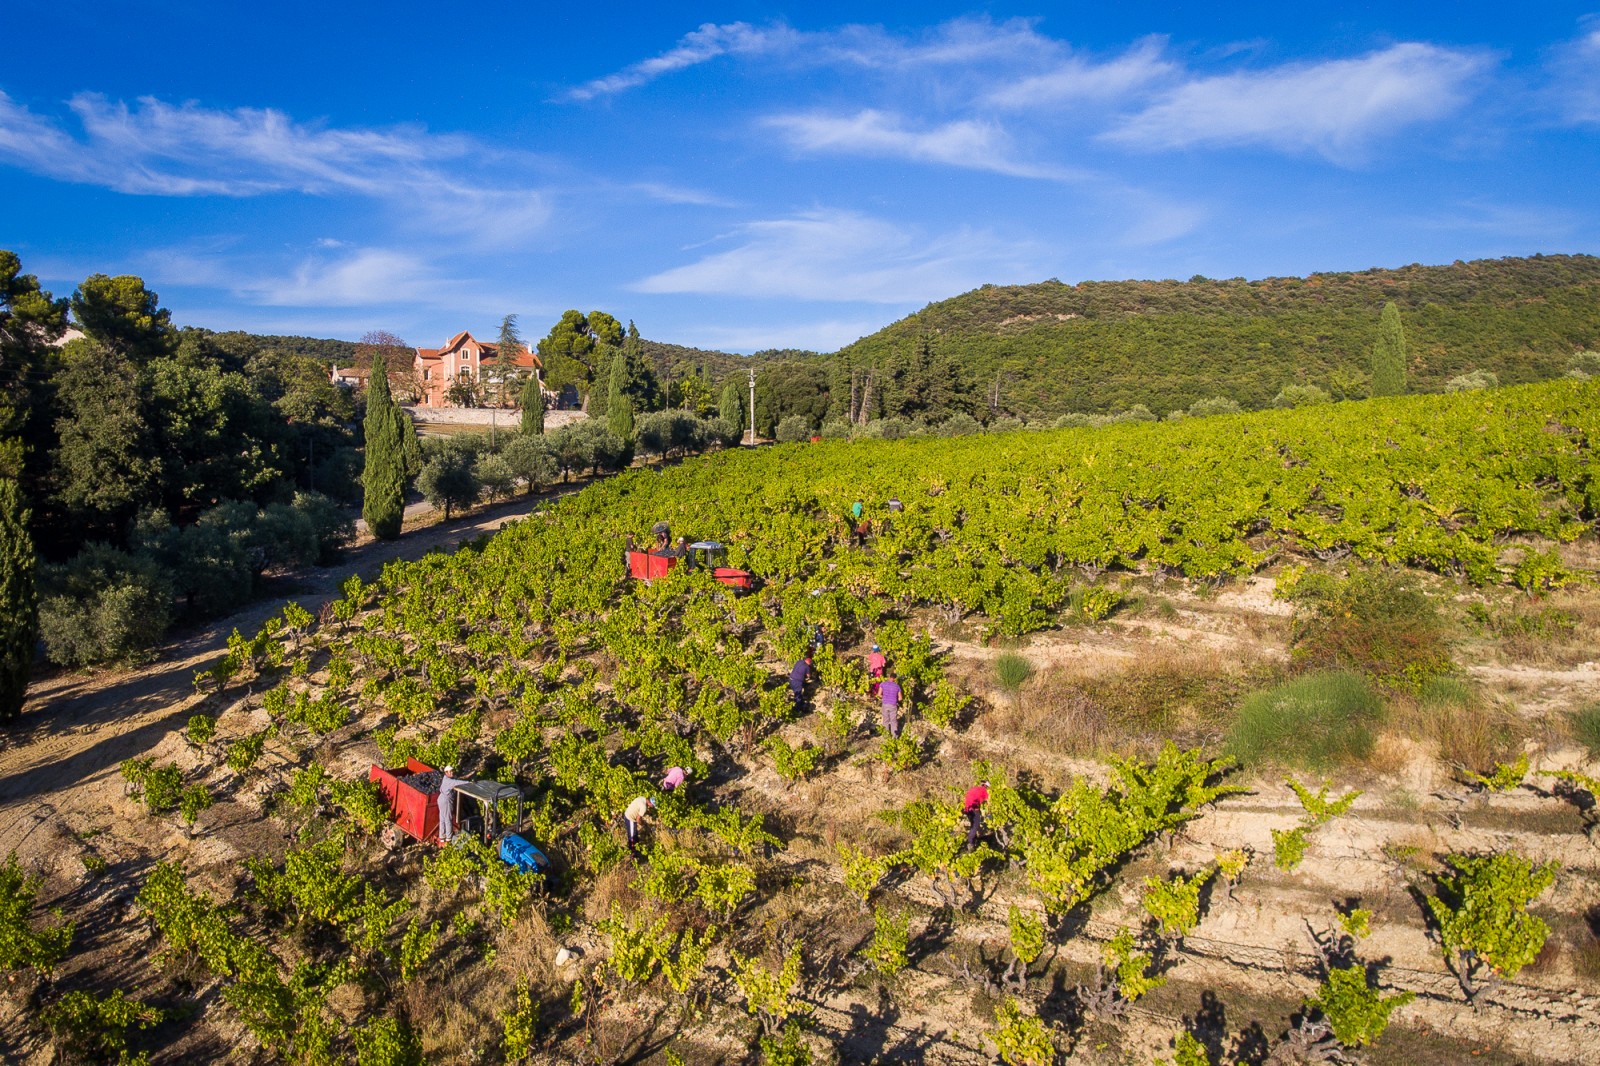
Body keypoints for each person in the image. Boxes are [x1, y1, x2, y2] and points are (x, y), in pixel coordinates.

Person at [437, 765, 469, 843]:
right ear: (446, 773)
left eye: (452, 771)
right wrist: (469, 782)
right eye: (450, 771)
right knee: (448, 819)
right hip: (446, 800)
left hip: (441, 799)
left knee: (442, 819)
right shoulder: (449, 781)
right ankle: (448, 838)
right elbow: (457, 782)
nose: (452, 773)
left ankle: (442, 836)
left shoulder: (445, 779)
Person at [963, 780, 990, 850]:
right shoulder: (984, 791)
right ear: (986, 787)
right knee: (975, 825)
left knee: (973, 824)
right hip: (974, 809)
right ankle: (970, 842)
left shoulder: (974, 789)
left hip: (967, 809)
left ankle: (973, 840)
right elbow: (988, 801)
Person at [878, 671, 903, 737]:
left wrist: (884, 697)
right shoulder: (897, 686)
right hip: (893, 705)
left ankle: (886, 736)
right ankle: (894, 737)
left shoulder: (883, 684)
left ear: (889, 677)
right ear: (895, 678)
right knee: (893, 721)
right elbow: (900, 698)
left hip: (885, 704)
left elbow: (879, 694)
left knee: (885, 720)